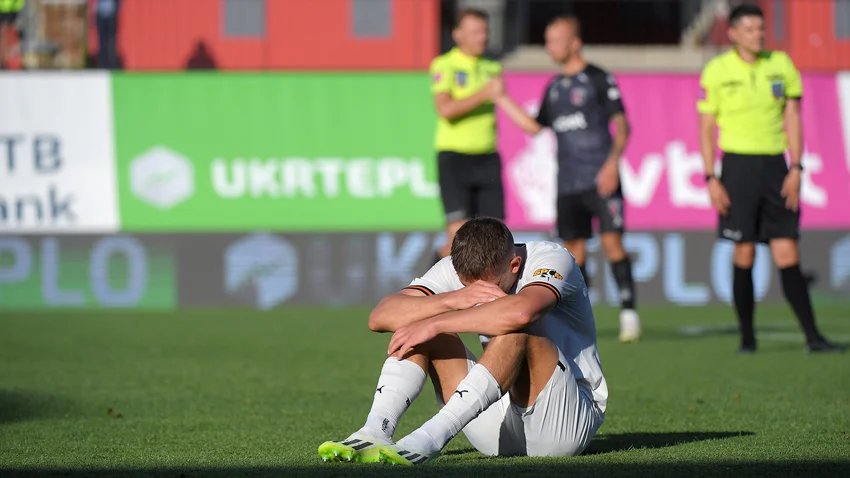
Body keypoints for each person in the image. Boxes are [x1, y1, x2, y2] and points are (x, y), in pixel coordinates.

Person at [317, 217, 607, 464]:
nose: (478, 293)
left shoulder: (551, 258)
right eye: (469, 286)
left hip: (563, 424)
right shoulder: (455, 267)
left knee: (515, 327)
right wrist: (452, 299)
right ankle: (375, 431)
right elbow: (380, 317)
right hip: (495, 425)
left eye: (488, 287)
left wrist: (437, 322)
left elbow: (522, 312)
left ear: (515, 264)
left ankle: (431, 437)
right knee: (412, 323)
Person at [697, 4, 842, 354]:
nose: (757, 34)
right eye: (749, 29)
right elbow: (706, 128)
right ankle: (747, 338)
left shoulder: (780, 65)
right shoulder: (718, 70)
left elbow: (793, 118)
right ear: (733, 33)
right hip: (737, 168)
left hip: (776, 167)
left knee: (787, 250)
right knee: (744, 251)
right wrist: (711, 177)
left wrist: (796, 168)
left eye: (760, 28)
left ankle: (813, 337)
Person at [492, 15, 640, 343]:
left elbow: (623, 126)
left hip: (600, 177)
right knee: (574, 252)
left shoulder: (598, 78)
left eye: (555, 40)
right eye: (547, 41)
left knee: (612, 243)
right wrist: (502, 99)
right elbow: (535, 127)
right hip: (569, 183)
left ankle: (629, 314)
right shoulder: (555, 87)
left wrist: (612, 164)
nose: (549, 47)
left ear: (575, 43)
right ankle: (582, 319)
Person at [429, 8, 506, 263]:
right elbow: (445, 109)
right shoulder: (445, 65)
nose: (482, 37)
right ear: (458, 34)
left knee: (494, 238)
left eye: (485, 31)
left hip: (487, 158)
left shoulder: (492, 67)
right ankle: (426, 284)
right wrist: (484, 94)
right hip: (455, 158)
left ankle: (485, 291)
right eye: (475, 32)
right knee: (457, 239)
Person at [95, 0, 121, 70]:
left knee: (111, 41)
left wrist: (117, 9)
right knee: (101, 41)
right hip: (100, 14)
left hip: (111, 15)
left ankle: (111, 64)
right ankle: (102, 65)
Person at [0, 0, 24, 70]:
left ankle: (3, 61)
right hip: (8, 10)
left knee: (4, 35)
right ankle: (3, 61)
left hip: (8, 10)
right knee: (4, 35)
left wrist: (16, 7)